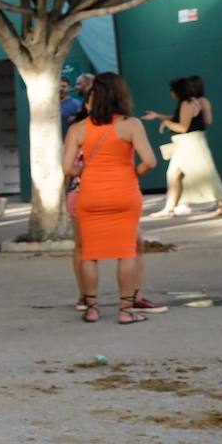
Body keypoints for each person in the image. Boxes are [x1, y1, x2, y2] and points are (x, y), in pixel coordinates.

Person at [63, 72, 158, 324]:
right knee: (126, 252)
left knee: (89, 254)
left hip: (90, 195)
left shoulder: (78, 129)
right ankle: (125, 311)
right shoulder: (131, 124)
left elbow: (67, 168)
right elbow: (150, 161)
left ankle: (92, 308)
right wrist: (132, 173)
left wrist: (87, 171)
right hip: (124, 194)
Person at [145, 76, 222, 217]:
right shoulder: (189, 103)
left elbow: (182, 127)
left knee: (203, 174)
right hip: (186, 143)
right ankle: (169, 208)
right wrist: (157, 116)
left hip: (189, 144)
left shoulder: (187, 103)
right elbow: (178, 119)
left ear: (178, 91)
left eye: (172, 90)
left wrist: (166, 124)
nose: (171, 93)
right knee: (174, 175)